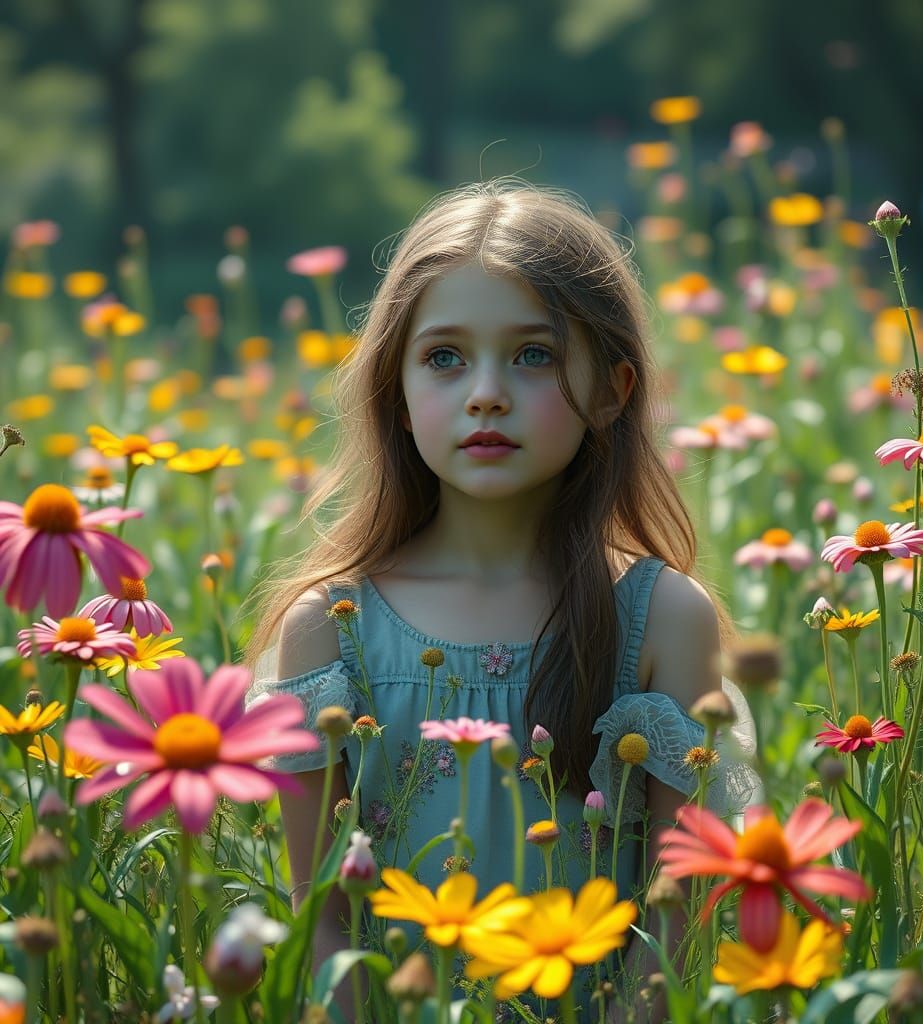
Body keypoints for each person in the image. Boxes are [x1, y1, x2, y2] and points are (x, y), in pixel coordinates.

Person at [243, 179, 758, 1023]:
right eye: (444, 357)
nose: (486, 391)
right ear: (396, 397)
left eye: (534, 355)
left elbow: (680, 920)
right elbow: (321, 928)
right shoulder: (329, 631)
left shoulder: (661, 619)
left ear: (613, 390)